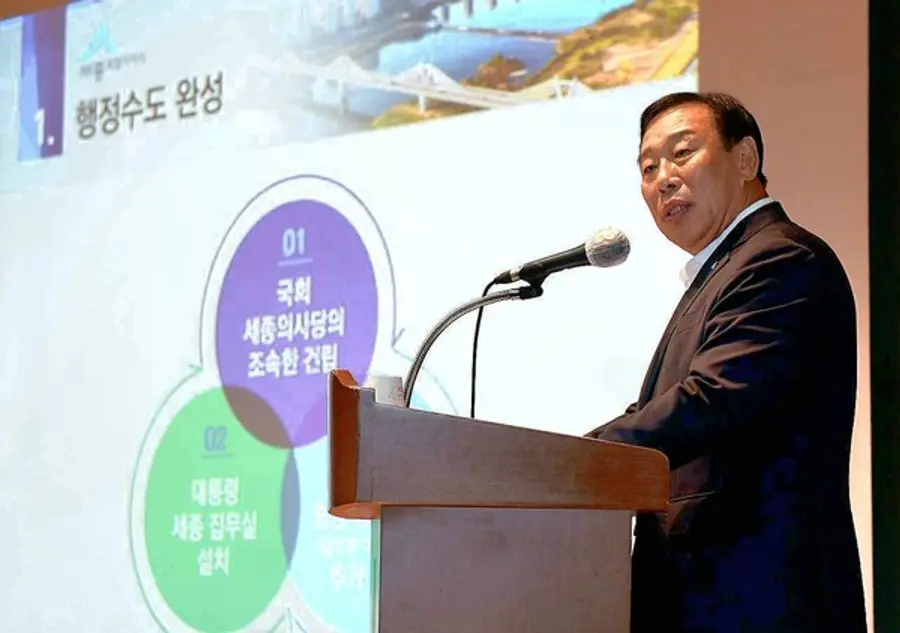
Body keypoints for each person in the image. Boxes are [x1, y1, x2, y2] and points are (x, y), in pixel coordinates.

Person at [586, 92, 867, 633]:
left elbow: (711, 399)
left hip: (760, 594)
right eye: (648, 168)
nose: (663, 179)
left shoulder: (780, 257)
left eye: (682, 153)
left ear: (745, 159)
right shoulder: (723, 271)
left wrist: (579, 458)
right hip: (712, 596)